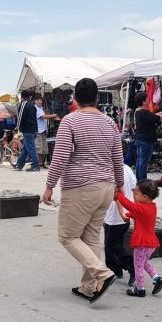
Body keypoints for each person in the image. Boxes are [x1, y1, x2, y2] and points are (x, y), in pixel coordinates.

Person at [43, 78, 124, 304]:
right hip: (106, 188)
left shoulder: (70, 121)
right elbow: (118, 158)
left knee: (67, 236)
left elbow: (59, 157)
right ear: (97, 98)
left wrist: (49, 185)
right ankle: (88, 288)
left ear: (74, 98)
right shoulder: (110, 123)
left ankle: (102, 273)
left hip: (81, 186)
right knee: (90, 238)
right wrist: (119, 185)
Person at [115, 179, 162, 297]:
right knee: (143, 263)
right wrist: (127, 215)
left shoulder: (141, 208)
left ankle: (140, 289)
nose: (134, 195)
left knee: (138, 266)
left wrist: (118, 195)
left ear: (145, 196)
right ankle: (157, 278)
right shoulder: (151, 207)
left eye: (136, 193)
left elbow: (130, 206)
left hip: (143, 243)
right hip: (150, 243)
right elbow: (138, 213)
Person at [103, 163, 137, 284]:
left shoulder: (112, 171)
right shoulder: (127, 169)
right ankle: (114, 270)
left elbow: (117, 195)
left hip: (115, 216)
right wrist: (135, 209)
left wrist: (121, 213)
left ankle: (131, 266)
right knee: (112, 245)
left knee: (112, 245)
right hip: (124, 214)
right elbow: (135, 190)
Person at [133, 91, 162, 181]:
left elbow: (153, 115)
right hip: (145, 140)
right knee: (143, 162)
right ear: (143, 101)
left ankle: (139, 180)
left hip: (139, 139)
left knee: (140, 160)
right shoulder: (144, 112)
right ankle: (143, 180)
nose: (148, 100)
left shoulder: (138, 111)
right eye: (147, 99)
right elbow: (158, 119)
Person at [15, 90, 40, 172]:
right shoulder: (32, 105)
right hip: (33, 129)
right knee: (25, 149)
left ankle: (36, 166)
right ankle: (19, 165)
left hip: (27, 130)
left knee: (31, 148)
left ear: (22, 97)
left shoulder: (23, 104)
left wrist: (17, 128)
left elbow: (20, 117)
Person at [34, 96, 58, 168]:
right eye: (37, 100)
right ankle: (37, 163)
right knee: (39, 148)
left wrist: (46, 128)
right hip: (38, 131)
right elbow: (43, 117)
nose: (39, 102)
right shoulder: (35, 109)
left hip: (43, 130)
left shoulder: (41, 109)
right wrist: (52, 116)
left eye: (40, 100)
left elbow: (44, 119)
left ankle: (41, 163)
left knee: (44, 149)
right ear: (35, 101)